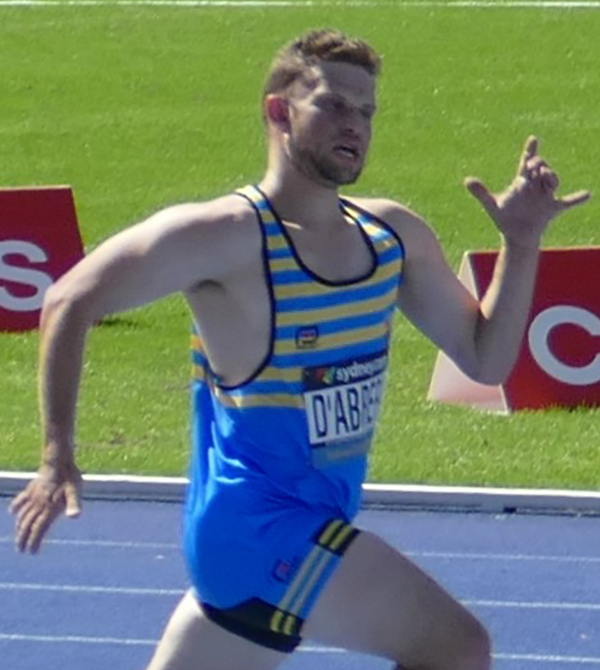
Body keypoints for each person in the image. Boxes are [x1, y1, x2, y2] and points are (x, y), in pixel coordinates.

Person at [10, 28, 590, 670]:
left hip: (291, 534)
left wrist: (523, 244)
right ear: (279, 111)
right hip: (263, 534)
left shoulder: (389, 236)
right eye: (335, 105)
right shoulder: (226, 237)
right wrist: (57, 454)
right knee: (457, 646)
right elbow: (68, 300)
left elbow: (485, 359)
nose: (355, 124)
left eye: (367, 110)